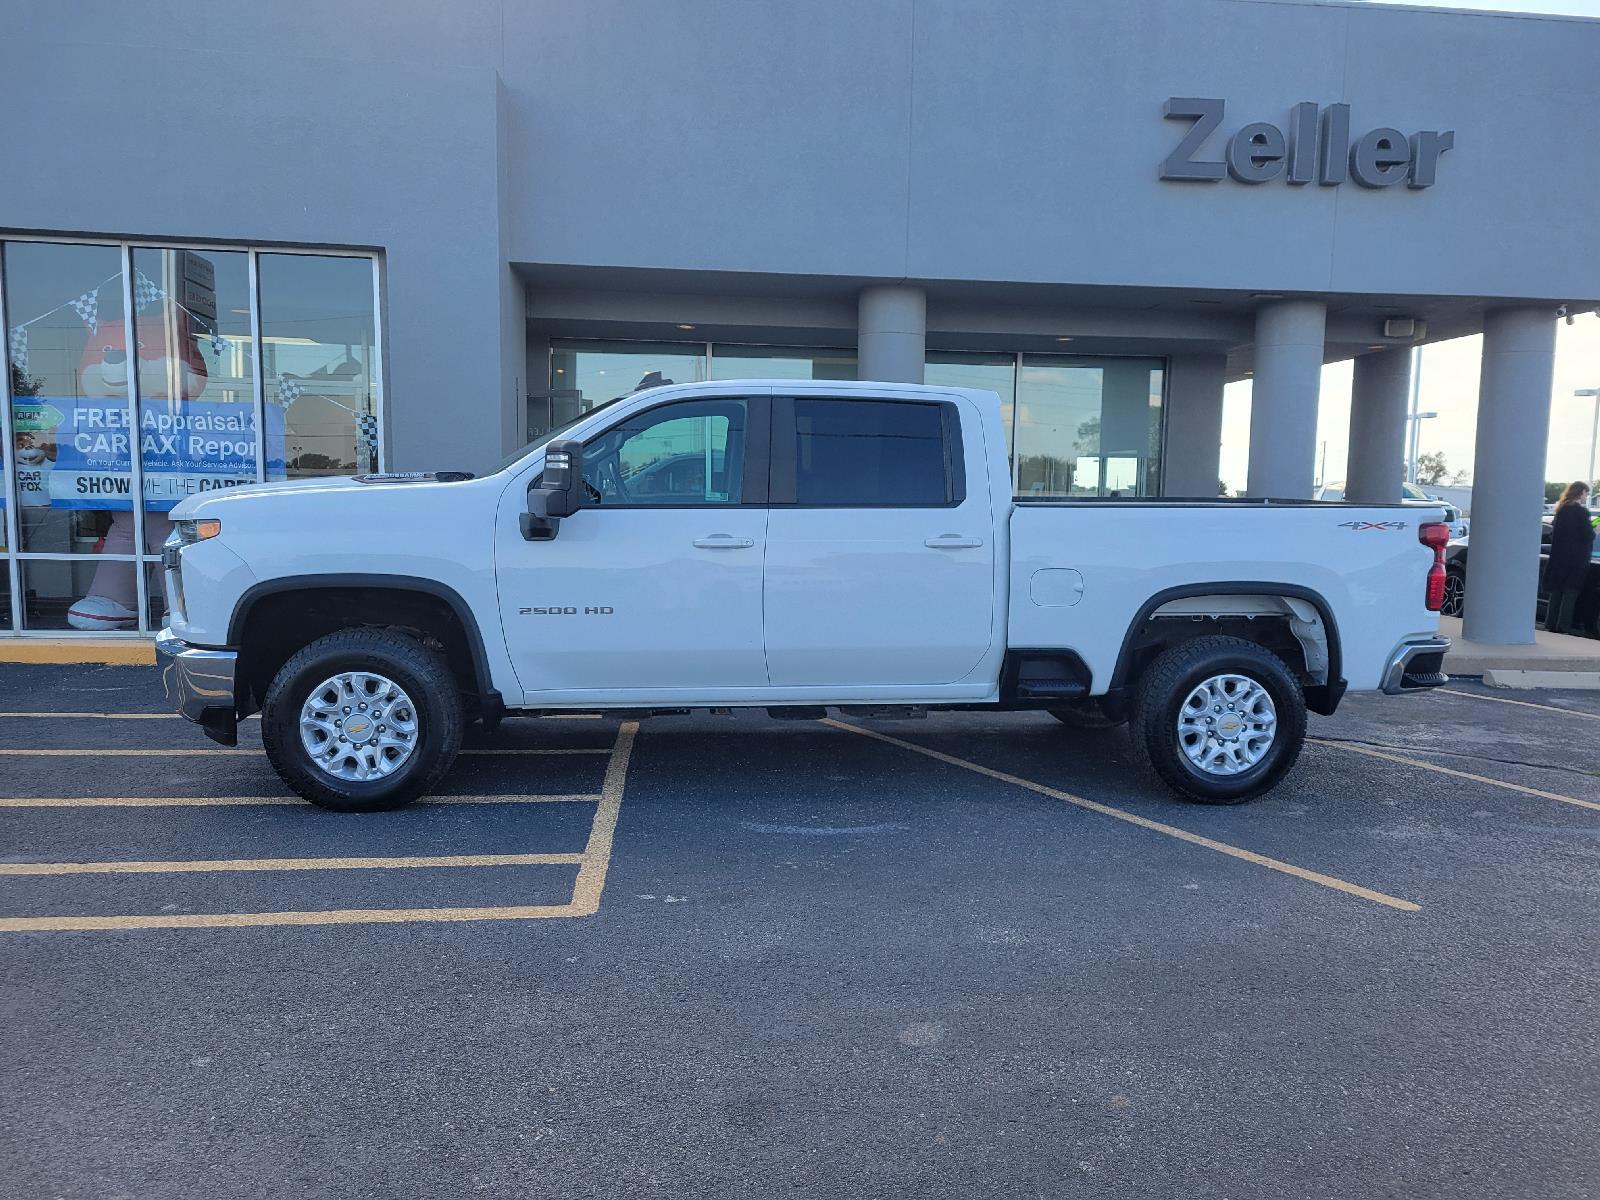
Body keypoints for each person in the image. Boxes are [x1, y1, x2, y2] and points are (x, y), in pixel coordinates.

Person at [1544, 481, 1596, 634]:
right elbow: (1588, 536)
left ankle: (1551, 623)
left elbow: (1553, 535)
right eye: (1586, 493)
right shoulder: (1581, 512)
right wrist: (1596, 529)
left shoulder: (1561, 510)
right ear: (1580, 493)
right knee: (1570, 593)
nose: (1586, 497)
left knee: (1557, 591)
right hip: (1576, 561)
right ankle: (1563, 626)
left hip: (1559, 559)